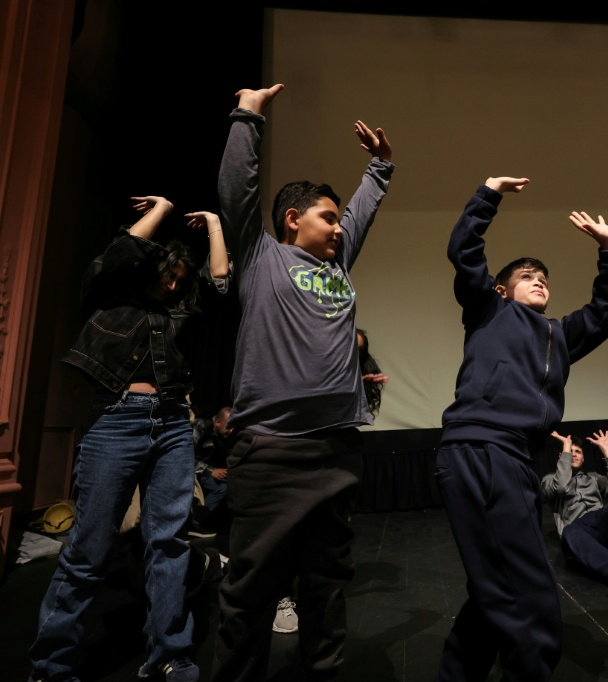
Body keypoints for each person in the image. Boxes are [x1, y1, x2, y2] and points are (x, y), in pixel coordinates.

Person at [210, 84, 394, 682]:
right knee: (250, 597)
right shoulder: (261, 258)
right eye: (327, 218)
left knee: (326, 590)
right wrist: (248, 115)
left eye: (339, 220)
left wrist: (381, 166)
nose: (339, 228)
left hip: (336, 450)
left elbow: (362, 212)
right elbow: (236, 191)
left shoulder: (338, 265)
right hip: (271, 452)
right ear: (293, 220)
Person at [28, 198, 229, 682]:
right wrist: (162, 209)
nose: (174, 285)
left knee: (169, 543)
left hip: (173, 422)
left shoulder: (179, 312)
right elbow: (122, 250)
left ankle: (170, 652)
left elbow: (219, 282)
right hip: (118, 420)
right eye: (168, 275)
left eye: (181, 278)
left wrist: (215, 224)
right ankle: (50, 667)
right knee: (88, 549)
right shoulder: (111, 294)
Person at [435, 176, 608, 681]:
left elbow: (604, 314)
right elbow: (464, 250)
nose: (540, 281)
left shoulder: (559, 335)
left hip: (516, 457)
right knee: (531, 592)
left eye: (544, 277)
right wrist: (488, 194)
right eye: (527, 276)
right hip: (480, 447)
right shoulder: (488, 310)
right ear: (502, 289)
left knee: (494, 588)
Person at [272, 328, 389, 636]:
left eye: (357, 350)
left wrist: (355, 389)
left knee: (325, 536)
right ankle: (282, 598)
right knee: (290, 532)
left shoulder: (360, 382)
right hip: (298, 455)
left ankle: (313, 597)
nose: (350, 353)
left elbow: (358, 418)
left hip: (337, 458)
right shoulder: (308, 367)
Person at [542, 430, 608, 596]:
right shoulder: (550, 480)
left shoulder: (592, 478)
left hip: (600, 525)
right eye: (570, 451)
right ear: (561, 456)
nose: (573, 454)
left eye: (578, 452)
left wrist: (607, 451)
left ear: (583, 458)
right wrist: (566, 449)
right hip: (579, 533)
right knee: (569, 531)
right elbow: (561, 487)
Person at [190, 406, 233, 537]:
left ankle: (197, 522)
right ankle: (191, 524)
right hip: (188, 470)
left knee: (226, 485)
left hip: (204, 468)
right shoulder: (201, 427)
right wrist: (211, 471)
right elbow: (185, 457)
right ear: (218, 422)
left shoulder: (224, 435)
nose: (231, 430)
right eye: (229, 426)